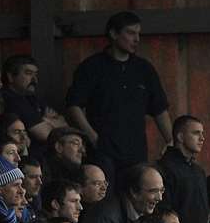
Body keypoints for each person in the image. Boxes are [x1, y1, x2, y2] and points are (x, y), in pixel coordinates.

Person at [65, 11, 172, 175]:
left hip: (136, 151)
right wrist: (93, 137)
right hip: (102, 151)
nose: (136, 39)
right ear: (113, 33)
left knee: (136, 196)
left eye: (138, 34)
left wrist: (171, 141)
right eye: (130, 33)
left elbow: (159, 109)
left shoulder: (144, 69)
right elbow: (74, 106)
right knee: (104, 196)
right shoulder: (92, 67)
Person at [155, 115, 210, 223]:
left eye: (202, 133)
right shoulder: (164, 168)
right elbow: (163, 211)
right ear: (180, 137)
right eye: (196, 133)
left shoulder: (198, 171)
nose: (202, 138)